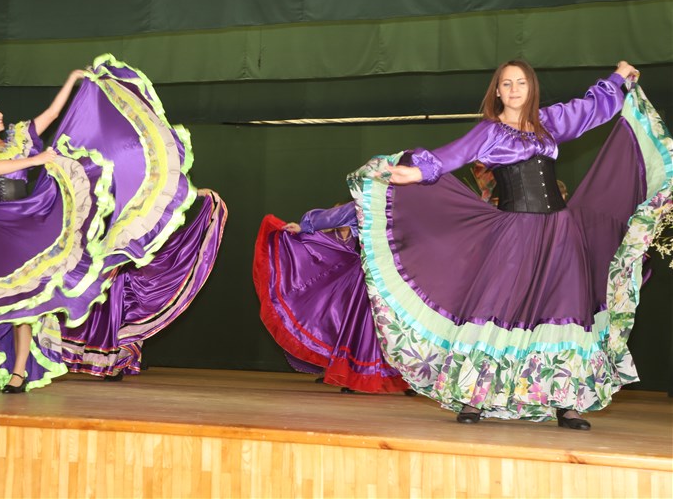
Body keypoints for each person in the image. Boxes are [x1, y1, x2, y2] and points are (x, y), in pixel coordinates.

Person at [347, 60, 672, 428]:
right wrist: (415, 171)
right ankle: (474, 396)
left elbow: (591, 108)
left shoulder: (549, 122)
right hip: (515, 232)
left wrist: (618, 77)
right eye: (507, 83)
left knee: (565, 305)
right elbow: (451, 155)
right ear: (497, 91)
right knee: (496, 304)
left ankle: (567, 402)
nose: (515, 89)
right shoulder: (489, 132)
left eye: (521, 82)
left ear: (531, 88)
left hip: (560, 231)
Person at [0, 54, 226, 393]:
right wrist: (37, 159)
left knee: (25, 298)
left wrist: (72, 81)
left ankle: (19, 373)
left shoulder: (19, 138)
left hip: (24, 220)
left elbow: (53, 114)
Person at [253, 204, 411, 395]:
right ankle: (359, 376)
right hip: (372, 273)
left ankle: (407, 379)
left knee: (400, 327)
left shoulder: (410, 204)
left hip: (401, 276)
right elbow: (338, 215)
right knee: (367, 324)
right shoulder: (372, 200)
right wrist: (304, 227)